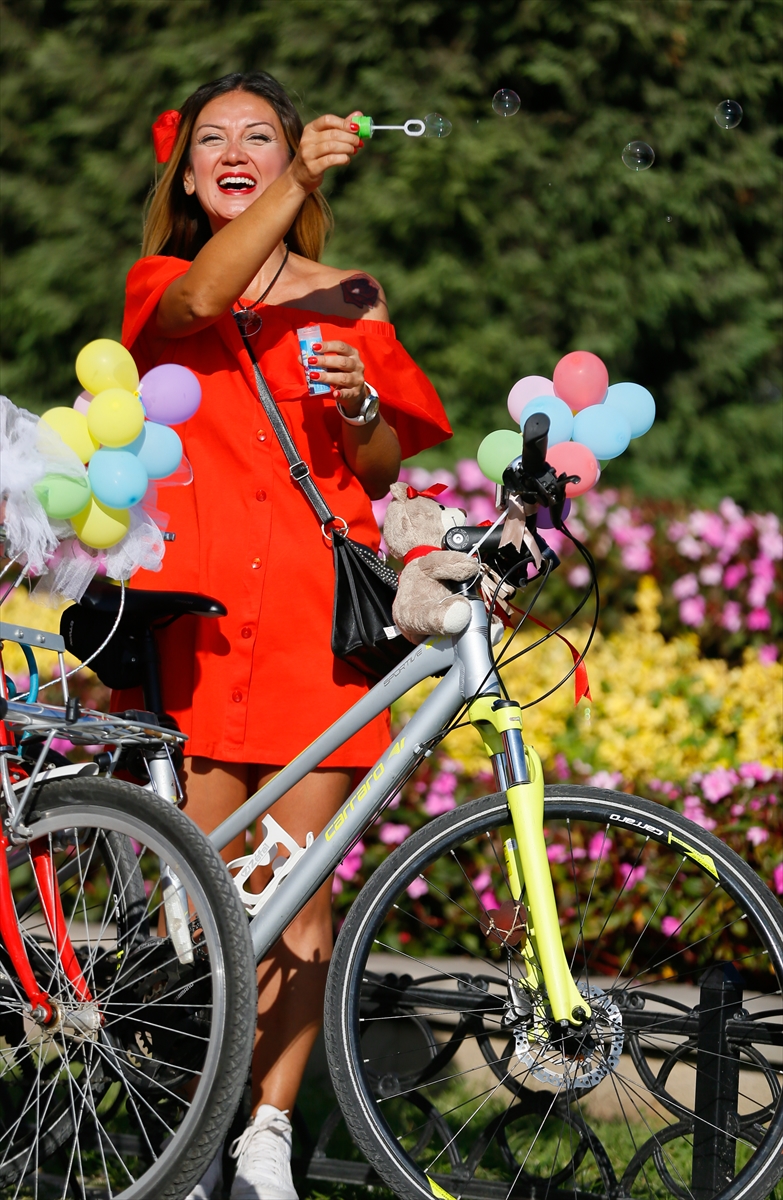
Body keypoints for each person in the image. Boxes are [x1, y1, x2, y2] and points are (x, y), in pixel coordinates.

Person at [119, 71, 451, 1200]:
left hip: (321, 631)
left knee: (301, 897)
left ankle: (266, 1131)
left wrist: (362, 405)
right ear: (186, 172)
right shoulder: (166, 278)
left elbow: (378, 470)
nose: (233, 149)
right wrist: (301, 174)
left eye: (258, 135)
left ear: (285, 156)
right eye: (211, 138)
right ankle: (197, 1124)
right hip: (204, 629)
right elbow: (201, 307)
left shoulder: (351, 293)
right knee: (207, 900)